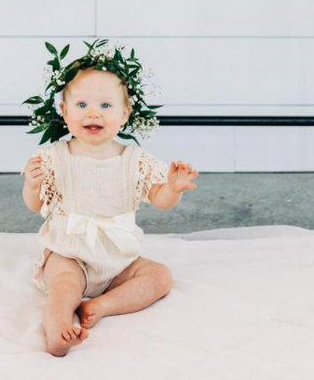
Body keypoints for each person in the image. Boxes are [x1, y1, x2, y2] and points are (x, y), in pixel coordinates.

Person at [20, 39, 199, 357]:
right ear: (64, 111)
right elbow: (35, 207)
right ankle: (58, 330)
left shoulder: (135, 159)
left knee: (159, 276)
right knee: (63, 288)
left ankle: (101, 306)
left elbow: (159, 199)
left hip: (118, 258)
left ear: (126, 112)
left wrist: (172, 188)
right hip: (69, 253)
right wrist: (32, 187)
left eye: (105, 105)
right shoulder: (54, 157)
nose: (93, 113)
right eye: (81, 105)